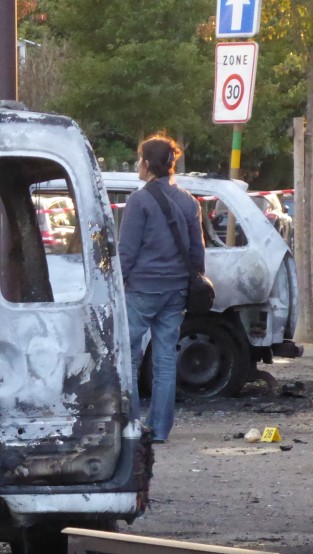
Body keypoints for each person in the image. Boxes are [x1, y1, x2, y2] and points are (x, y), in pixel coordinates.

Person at [118, 133, 205, 444]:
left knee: (128, 356)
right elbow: (197, 252)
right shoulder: (188, 201)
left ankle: (129, 424)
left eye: (139, 160)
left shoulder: (138, 201)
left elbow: (126, 252)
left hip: (141, 289)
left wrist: (117, 285)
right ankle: (159, 429)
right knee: (165, 359)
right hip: (175, 291)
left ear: (146, 163)